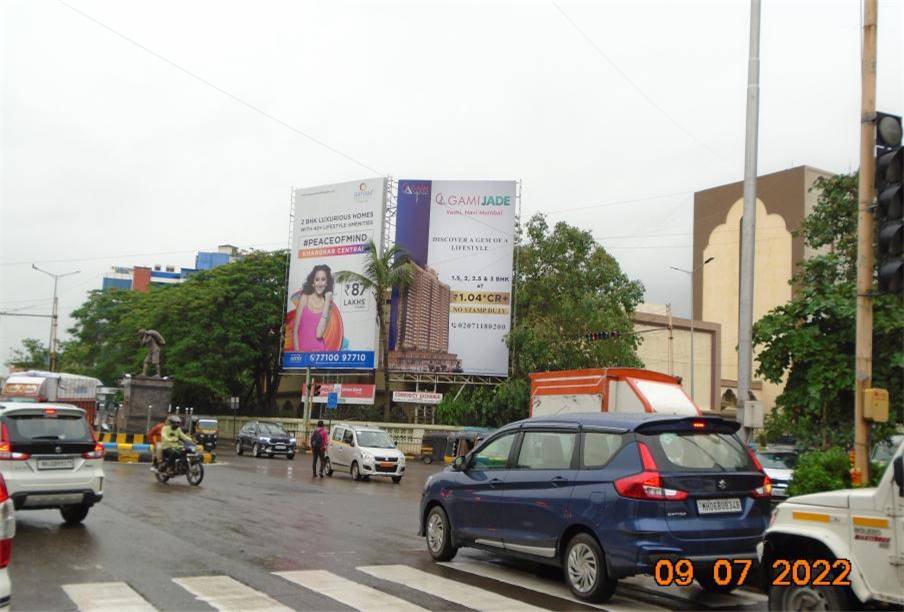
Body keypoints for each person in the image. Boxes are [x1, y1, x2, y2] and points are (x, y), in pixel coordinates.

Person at [292, 265, 335, 351]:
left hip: (319, 352)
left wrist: (327, 302)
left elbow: (319, 334)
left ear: (327, 283)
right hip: (301, 352)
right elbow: (295, 331)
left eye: (323, 279)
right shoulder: (304, 298)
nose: (320, 283)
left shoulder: (328, 305)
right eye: (317, 279)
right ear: (313, 283)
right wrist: (298, 353)